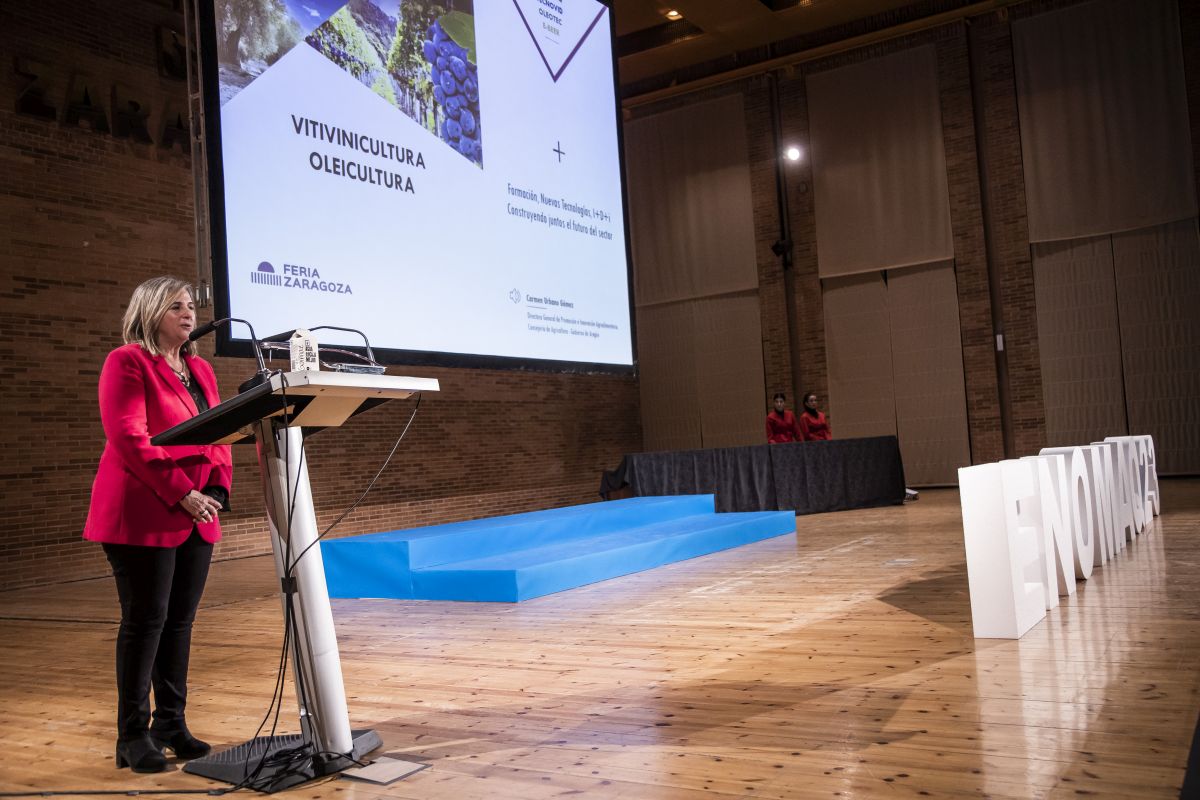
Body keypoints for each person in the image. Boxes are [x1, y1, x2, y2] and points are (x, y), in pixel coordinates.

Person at [83, 276, 232, 774]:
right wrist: (182, 492)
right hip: (143, 511)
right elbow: (130, 437)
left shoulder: (200, 369)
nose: (189, 314)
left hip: (197, 512)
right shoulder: (126, 362)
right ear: (150, 313)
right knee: (146, 621)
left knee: (179, 623)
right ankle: (132, 735)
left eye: (190, 305)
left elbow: (220, 433)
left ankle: (171, 723)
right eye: (176, 306)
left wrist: (217, 489)